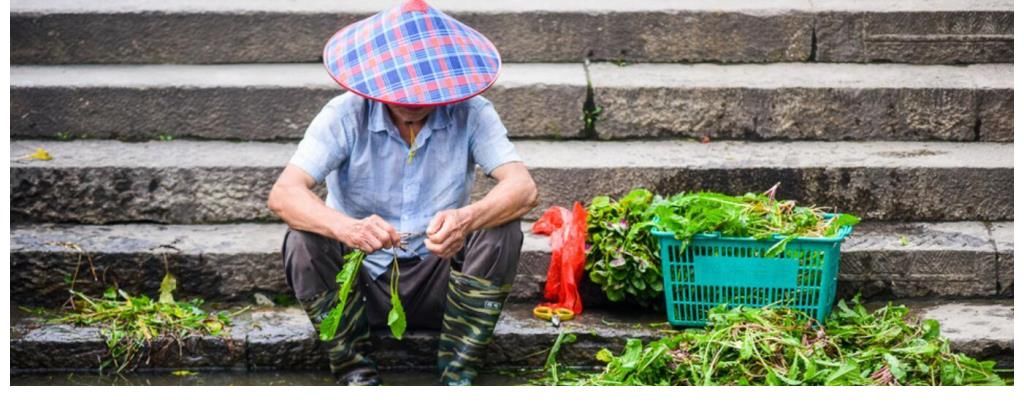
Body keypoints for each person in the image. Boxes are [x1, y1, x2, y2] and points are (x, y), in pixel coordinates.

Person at [266, 0, 538, 386]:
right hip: (360, 286)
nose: (412, 102)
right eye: (400, 89)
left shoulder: (472, 112)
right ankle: (354, 371)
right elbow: (284, 194)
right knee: (303, 237)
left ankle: (457, 376)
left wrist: (465, 219)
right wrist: (348, 229)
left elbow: (523, 188)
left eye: (425, 91)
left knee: (502, 229)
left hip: (440, 282)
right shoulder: (344, 113)